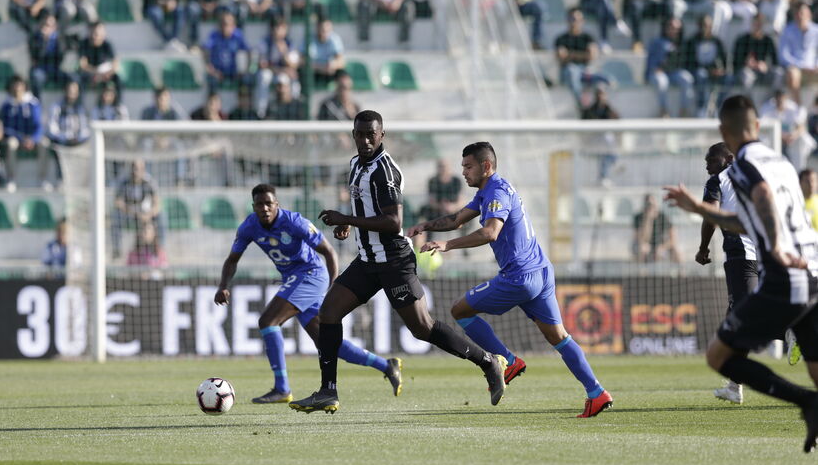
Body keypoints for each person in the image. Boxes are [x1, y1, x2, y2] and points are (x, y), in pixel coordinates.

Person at [288, 111, 507, 413]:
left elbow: (394, 222)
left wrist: (347, 218)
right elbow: (368, 209)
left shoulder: (385, 171)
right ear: (353, 134)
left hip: (393, 261)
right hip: (367, 260)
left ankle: (488, 361)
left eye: (371, 134)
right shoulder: (355, 165)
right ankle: (328, 391)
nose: (365, 140)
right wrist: (348, 224)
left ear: (382, 135)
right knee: (328, 313)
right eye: (359, 134)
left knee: (423, 328)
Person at [409, 142, 613, 418]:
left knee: (460, 310)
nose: (464, 173)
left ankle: (510, 362)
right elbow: (458, 219)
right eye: (463, 167)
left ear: (486, 166)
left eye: (468, 167)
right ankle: (596, 393)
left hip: (519, 277)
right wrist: (427, 225)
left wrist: (447, 246)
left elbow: (490, 232)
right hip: (541, 272)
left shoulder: (496, 193)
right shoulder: (488, 191)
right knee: (559, 337)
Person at [663, 94, 818, 454]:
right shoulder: (779, 161)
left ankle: (807, 403)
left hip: (787, 271)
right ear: (758, 126)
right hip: (812, 267)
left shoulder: (742, 164)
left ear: (723, 130)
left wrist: (777, 246)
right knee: (815, 366)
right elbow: (746, 221)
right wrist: (699, 208)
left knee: (719, 356)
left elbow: (762, 197)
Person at [216, 184, 403, 403]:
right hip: (294, 280)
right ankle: (387, 365)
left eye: (269, 203)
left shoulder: (295, 222)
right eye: (260, 204)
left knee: (268, 321)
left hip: (311, 275)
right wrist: (223, 285)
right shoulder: (249, 227)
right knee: (328, 344)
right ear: (253, 206)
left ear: (277, 204)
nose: (264, 208)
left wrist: (334, 288)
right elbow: (232, 260)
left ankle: (282, 388)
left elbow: (329, 253)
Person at [696, 142, 760, 405]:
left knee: (742, 315)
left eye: (712, 158)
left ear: (728, 158)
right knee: (737, 319)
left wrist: (702, 248)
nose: (707, 164)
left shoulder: (718, 180)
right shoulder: (755, 177)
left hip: (741, 254)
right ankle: (735, 384)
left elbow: (710, 215)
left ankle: (792, 330)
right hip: (768, 252)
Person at [0, 74, 46, 191]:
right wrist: (21, 138)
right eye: (14, 86)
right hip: (17, 139)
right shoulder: (6, 106)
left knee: (44, 143)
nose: (17, 89)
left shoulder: (33, 104)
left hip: (31, 139)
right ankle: (11, 179)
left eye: (19, 86)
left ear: (24, 87)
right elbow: (6, 128)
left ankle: (43, 179)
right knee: (11, 144)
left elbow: (39, 125)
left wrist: (33, 139)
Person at [554, 7, 608, 109]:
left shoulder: (588, 38)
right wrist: (583, 55)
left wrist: (570, 54)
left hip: (585, 71)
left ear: (582, 21)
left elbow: (592, 56)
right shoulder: (561, 39)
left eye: (577, 20)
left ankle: (601, 112)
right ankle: (582, 106)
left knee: (604, 81)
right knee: (572, 71)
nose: (575, 22)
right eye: (572, 19)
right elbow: (561, 58)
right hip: (568, 73)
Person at [111, 158, 162, 259]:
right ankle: (117, 251)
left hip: (145, 214)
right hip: (129, 214)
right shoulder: (124, 182)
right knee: (116, 217)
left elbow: (157, 204)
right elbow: (118, 202)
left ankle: (159, 250)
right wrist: (134, 213)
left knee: (161, 217)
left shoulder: (149, 182)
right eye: (134, 168)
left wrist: (149, 214)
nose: (136, 172)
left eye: (139, 169)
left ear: (143, 170)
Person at [646, 17, 694, 118]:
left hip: (673, 72)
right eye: (671, 27)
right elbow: (650, 62)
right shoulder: (657, 42)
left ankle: (684, 111)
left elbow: (682, 62)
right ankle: (663, 110)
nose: (674, 30)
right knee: (662, 81)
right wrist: (655, 69)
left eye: (677, 28)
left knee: (687, 78)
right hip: (658, 72)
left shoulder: (682, 43)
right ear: (665, 28)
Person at [760, 89, 815, 173]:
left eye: (782, 100)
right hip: (773, 138)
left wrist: (794, 135)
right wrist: (781, 136)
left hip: (792, 140)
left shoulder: (793, 108)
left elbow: (801, 126)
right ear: (775, 99)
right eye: (778, 100)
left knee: (803, 140)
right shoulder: (767, 108)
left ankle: (799, 171)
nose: (780, 103)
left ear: (786, 98)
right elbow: (764, 128)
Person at [684, 14, 728, 117]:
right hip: (698, 71)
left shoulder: (717, 41)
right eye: (703, 25)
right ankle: (702, 108)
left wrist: (721, 70)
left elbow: (724, 59)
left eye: (708, 25)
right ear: (699, 26)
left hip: (715, 71)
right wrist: (709, 70)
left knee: (728, 78)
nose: (706, 28)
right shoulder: (692, 41)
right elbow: (690, 62)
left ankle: (719, 107)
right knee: (701, 75)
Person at [779, 2, 818, 106]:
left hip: (814, 69)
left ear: (809, 14)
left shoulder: (816, 31)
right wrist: (801, 66)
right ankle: (799, 108)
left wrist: (815, 65)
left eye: (802, 13)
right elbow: (783, 56)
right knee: (792, 73)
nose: (800, 16)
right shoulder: (787, 31)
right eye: (797, 13)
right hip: (796, 68)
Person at [733, 13, 781, 94]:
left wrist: (766, 66)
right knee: (747, 76)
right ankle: (748, 103)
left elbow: (775, 62)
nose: (758, 26)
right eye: (756, 23)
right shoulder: (742, 40)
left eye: (760, 23)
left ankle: (771, 103)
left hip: (764, 73)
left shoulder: (768, 41)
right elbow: (735, 63)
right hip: (748, 72)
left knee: (778, 73)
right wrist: (746, 64)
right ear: (751, 23)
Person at [202, 10, 250, 92]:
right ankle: (213, 103)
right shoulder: (214, 35)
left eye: (228, 25)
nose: (225, 27)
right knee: (211, 81)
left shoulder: (238, 36)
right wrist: (211, 69)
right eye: (223, 24)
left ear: (234, 26)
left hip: (233, 72)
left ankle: (243, 104)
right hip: (217, 72)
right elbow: (204, 50)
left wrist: (246, 69)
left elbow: (249, 51)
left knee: (247, 80)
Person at [29, 12, 70, 100]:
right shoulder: (34, 39)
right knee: (36, 77)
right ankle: (37, 104)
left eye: (49, 25)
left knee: (73, 78)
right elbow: (36, 57)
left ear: (54, 27)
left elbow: (60, 57)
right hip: (41, 70)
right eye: (44, 24)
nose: (46, 27)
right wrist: (44, 41)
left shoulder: (60, 39)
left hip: (55, 70)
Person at [78, 21, 119, 98]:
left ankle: (118, 105)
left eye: (98, 33)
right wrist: (95, 73)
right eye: (93, 32)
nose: (95, 36)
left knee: (117, 79)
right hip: (90, 73)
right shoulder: (83, 43)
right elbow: (83, 65)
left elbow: (115, 63)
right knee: (78, 80)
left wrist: (105, 74)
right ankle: (79, 105)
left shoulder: (107, 44)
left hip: (104, 74)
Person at [47, 79, 89, 146]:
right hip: (60, 143)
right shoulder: (56, 107)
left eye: (75, 91)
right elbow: (52, 128)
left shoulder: (81, 109)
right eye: (70, 91)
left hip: (78, 144)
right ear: (65, 91)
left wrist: (78, 139)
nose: (72, 94)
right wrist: (64, 139)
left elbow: (84, 129)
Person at [307, 17, 344, 87]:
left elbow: (341, 61)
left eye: (328, 30)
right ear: (317, 28)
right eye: (323, 30)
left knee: (342, 73)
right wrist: (321, 68)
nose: (325, 32)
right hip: (315, 71)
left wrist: (333, 65)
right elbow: (303, 61)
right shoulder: (309, 39)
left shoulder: (334, 39)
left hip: (329, 71)